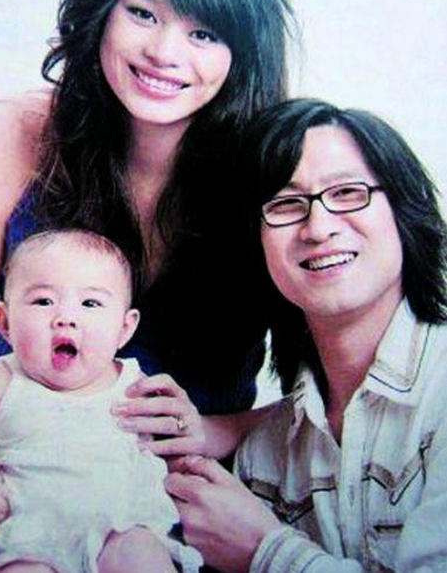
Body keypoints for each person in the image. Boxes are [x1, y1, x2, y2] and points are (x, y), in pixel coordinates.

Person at [0, 0, 294, 538]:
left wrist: (216, 432)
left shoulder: (276, 172)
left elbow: (331, 408)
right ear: (102, 13)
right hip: (23, 509)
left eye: (204, 33)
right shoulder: (16, 136)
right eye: (142, 13)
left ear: (242, 54)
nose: (164, 52)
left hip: (189, 521)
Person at [165, 98, 447, 572]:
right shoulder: (265, 457)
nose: (318, 228)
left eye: (348, 193)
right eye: (285, 204)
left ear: (404, 211)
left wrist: (264, 550)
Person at [0, 228, 202, 573]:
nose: (65, 317)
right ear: (5, 322)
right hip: (26, 534)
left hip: (119, 525)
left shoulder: (134, 385)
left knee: (140, 554)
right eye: (43, 301)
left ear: (124, 328)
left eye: (90, 303)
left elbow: (168, 453)